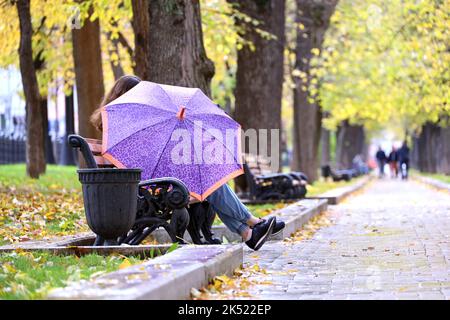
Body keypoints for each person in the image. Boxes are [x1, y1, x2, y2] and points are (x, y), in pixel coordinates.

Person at [90, 75, 284, 251]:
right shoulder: (119, 124)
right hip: (143, 190)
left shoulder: (126, 122)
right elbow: (130, 162)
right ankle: (252, 224)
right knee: (211, 183)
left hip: (147, 185)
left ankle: (249, 233)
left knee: (211, 180)